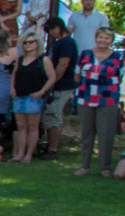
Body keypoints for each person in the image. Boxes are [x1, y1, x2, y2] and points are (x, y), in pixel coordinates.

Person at [75, 26, 121, 176]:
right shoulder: (85, 54)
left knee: (106, 134)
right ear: (96, 38)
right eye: (101, 37)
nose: (103, 40)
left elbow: (119, 77)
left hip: (108, 99)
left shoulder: (118, 57)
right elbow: (77, 74)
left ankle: (105, 168)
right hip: (86, 97)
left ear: (111, 40)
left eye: (107, 38)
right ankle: (85, 166)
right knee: (86, 134)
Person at [10, 32, 55, 162]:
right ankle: (20, 154)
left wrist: (42, 91)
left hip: (34, 97)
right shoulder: (20, 59)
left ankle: (28, 155)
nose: (28, 45)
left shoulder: (43, 60)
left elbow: (52, 77)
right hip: (19, 96)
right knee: (21, 126)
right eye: (25, 42)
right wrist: (12, 88)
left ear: (37, 44)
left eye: (31, 42)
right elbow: (14, 74)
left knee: (32, 126)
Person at [41, 17, 80, 160]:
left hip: (62, 85)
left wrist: (52, 81)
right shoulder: (60, 43)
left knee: (53, 115)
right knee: (50, 116)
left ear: (57, 28)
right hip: (57, 85)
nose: (51, 33)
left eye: (51, 30)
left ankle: (53, 149)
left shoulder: (67, 42)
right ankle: (49, 145)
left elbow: (63, 64)